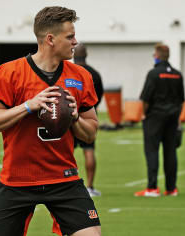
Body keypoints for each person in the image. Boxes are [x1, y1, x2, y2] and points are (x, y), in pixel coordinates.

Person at [0, 6, 101, 236]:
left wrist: (74, 119)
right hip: (17, 179)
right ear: (50, 39)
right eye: (70, 36)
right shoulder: (9, 73)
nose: (76, 41)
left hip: (63, 177)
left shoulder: (81, 76)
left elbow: (91, 132)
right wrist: (28, 106)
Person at [134, 43, 185, 197]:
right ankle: (171, 188)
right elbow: (181, 99)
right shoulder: (177, 74)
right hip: (173, 117)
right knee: (170, 152)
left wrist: (143, 114)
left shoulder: (153, 73)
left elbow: (145, 98)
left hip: (154, 117)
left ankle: (152, 188)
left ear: (157, 56)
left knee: (152, 151)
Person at [73, 43, 104, 197]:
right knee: (89, 150)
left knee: (66, 152)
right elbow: (99, 96)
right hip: (87, 119)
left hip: (68, 117)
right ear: (86, 54)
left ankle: (67, 184)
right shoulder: (95, 74)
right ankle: (90, 187)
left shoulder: (67, 71)